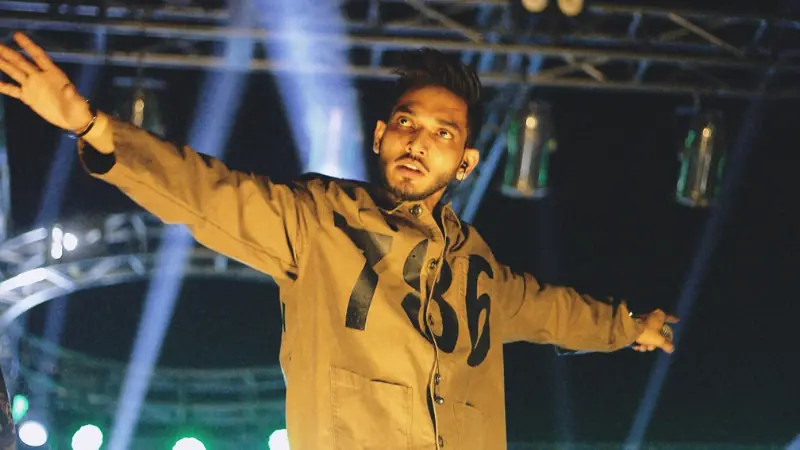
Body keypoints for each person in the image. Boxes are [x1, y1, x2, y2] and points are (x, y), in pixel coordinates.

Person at [0, 32, 678, 450]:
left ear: (466, 163)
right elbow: (209, 194)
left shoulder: (478, 269)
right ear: (380, 135)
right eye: (407, 123)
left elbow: (553, 310)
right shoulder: (320, 222)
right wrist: (93, 127)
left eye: (443, 134)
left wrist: (630, 326)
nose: (419, 142)